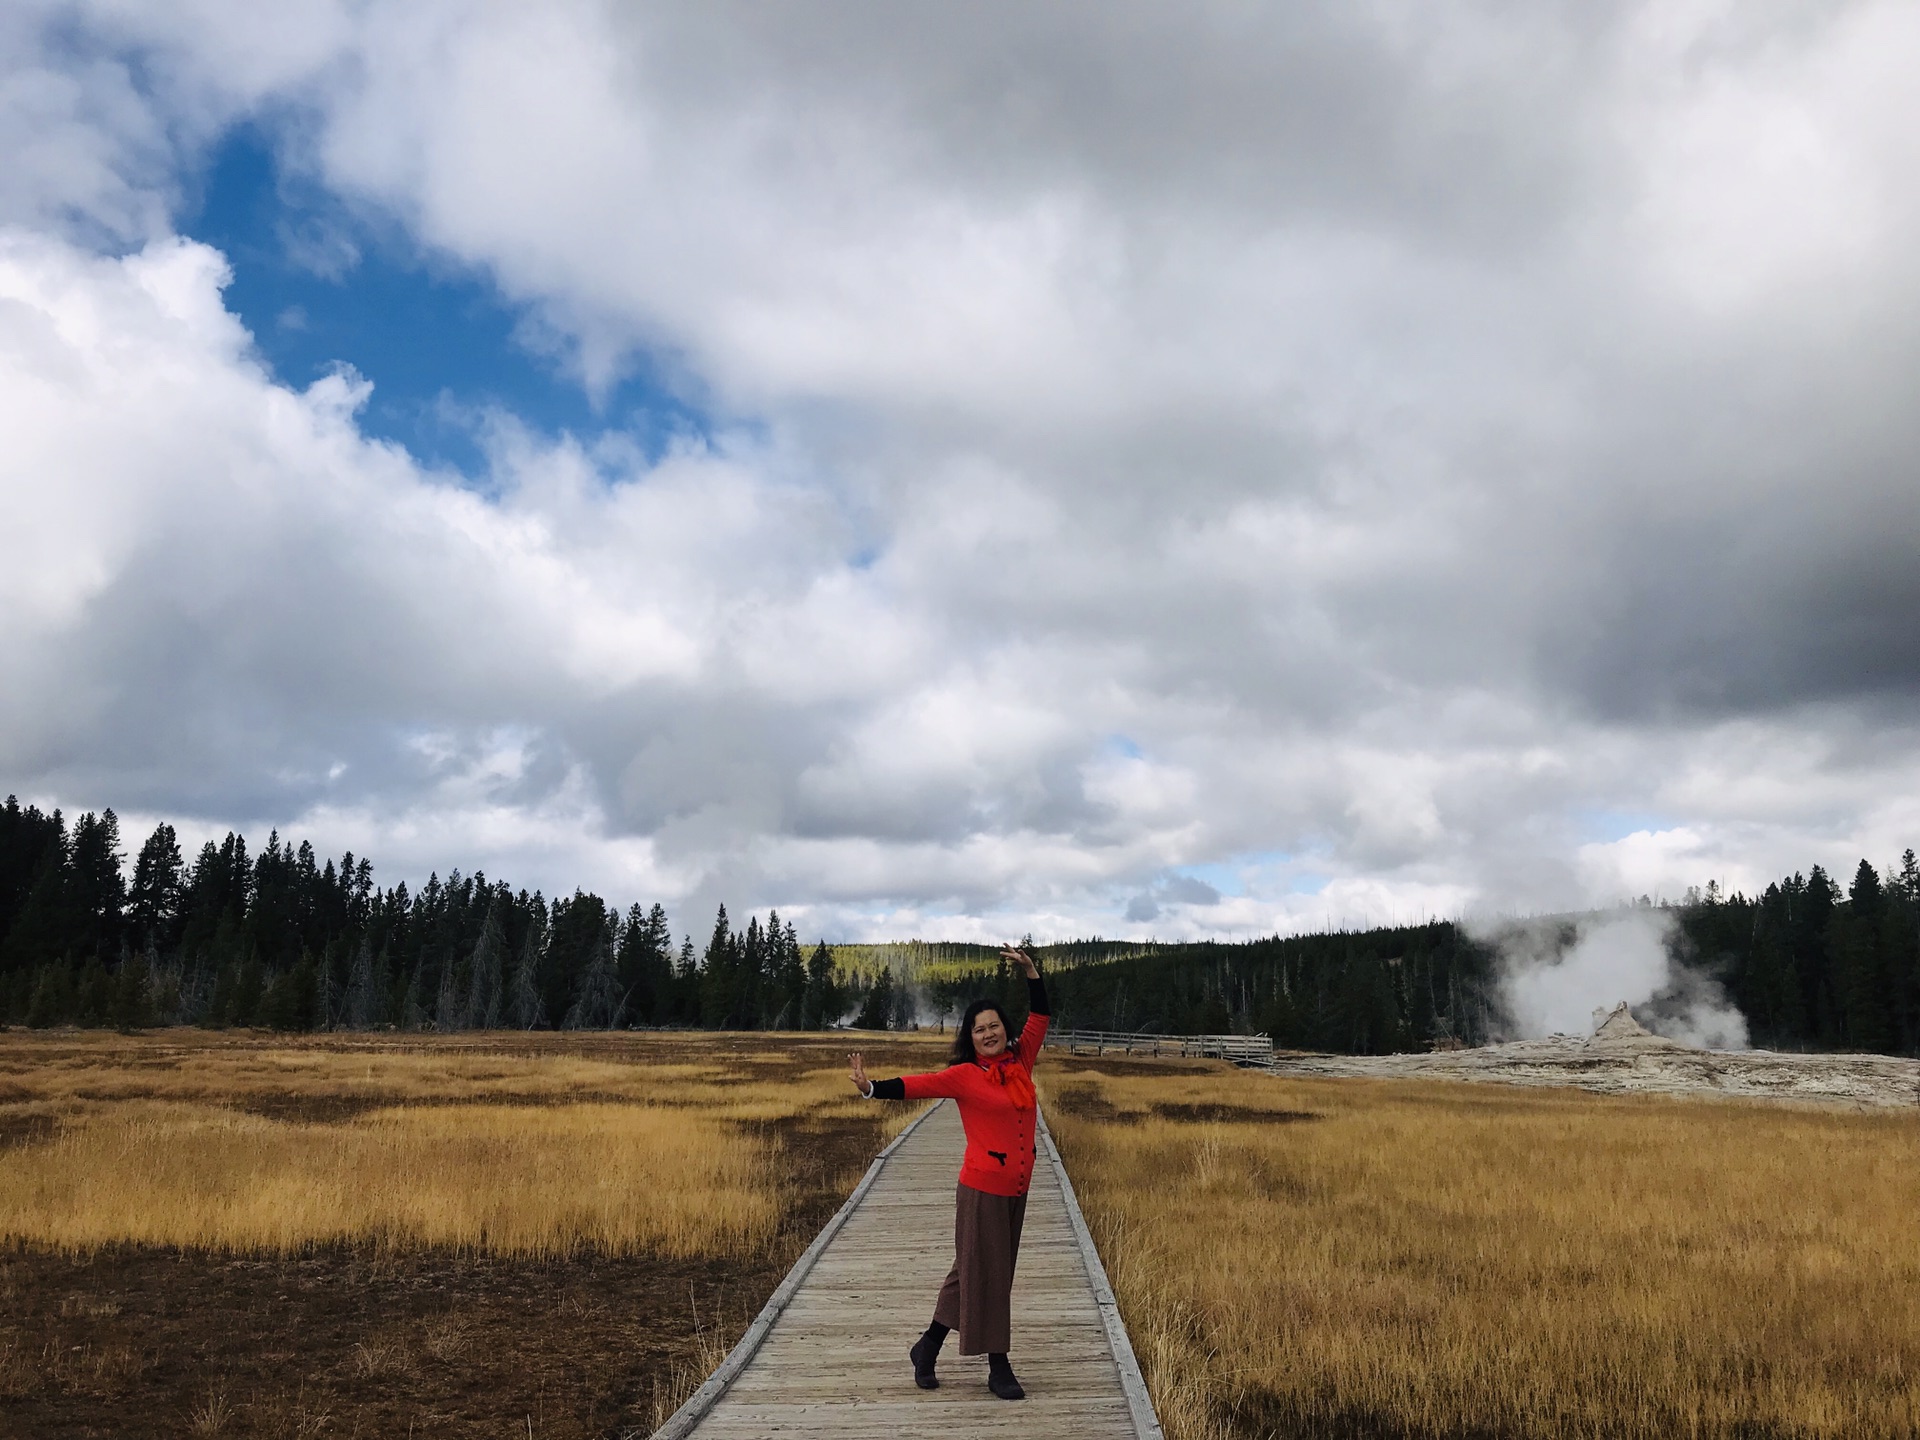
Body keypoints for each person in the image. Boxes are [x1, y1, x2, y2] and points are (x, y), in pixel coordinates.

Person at [847, 945, 1049, 1401]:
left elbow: (1041, 1016)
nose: (989, 1033)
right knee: (992, 1274)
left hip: (1017, 1188)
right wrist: (871, 1088)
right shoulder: (964, 1075)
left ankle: (927, 1346)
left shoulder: (1022, 1061)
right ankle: (998, 1366)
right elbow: (918, 1084)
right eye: (980, 1030)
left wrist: (1032, 972)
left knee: (973, 1271)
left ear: (1005, 1029)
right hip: (982, 1188)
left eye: (995, 1025)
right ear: (971, 1038)